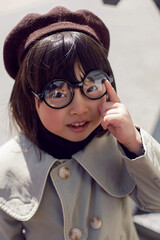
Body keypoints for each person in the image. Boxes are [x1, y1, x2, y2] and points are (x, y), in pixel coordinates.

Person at [0, 6, 160, 240]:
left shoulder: (121, 145)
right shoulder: (8, 168)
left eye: (92, 86)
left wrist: (135, 144)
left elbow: (155, 201)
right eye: (57, 93)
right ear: (30, 99)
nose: (80, 108)